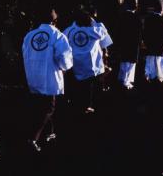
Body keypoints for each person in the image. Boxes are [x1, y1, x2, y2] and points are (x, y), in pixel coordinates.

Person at [22, 9, 73, 152]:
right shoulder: (58, 35)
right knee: (48, 109)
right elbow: (65, 61)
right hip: (49, 78)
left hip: (32, 77)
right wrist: (65, 67)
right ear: (55, 21)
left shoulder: (29, 36)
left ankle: (49, 133)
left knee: (38, 107)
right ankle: (33, 138)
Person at [64, 9, 112, 113]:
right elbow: (103, 32)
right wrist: (93, 21)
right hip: (93, 69)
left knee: (80, 94)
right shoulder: (94, 31)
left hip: (77, 69)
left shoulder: (68, 31)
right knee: (94, 93)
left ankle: (80, 109)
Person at [142, 0, 163, 83]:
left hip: (150, 48)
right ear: (162, 9)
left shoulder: (147, 20)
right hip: (161, 49)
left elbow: (144, 33)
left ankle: (148, 78)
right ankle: (159, 80)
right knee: (160, 68)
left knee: (149, 67)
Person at [115, 1, 143, 90]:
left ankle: (121, 79)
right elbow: (139, 33)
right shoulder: (137, 18)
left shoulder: (121, 17)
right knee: (130, 64)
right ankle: (126, 81)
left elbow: (118, 32)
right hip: (133, 45)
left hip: (123, 43)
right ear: (135, 8)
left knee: (123, 62)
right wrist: (140, 43)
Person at [88, 6, 113, 92]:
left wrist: (105, 55)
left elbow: (105, 45)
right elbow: (105, 45)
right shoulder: (98, 25)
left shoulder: (98, 25)